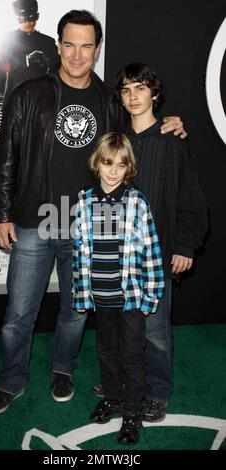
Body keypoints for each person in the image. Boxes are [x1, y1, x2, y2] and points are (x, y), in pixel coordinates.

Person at [0, 10, 187, 415]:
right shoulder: (28, 93)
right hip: (34, 219)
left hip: (87, 225)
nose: (78, 54)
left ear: (97, 50)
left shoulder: (109, 100)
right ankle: (10, 381)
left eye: (87, 45)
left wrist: (172, 124)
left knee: (76, 311)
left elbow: (133, 137)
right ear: (58, 46)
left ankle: (64, 369)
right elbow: (7, 155)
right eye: (70, 44)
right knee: (18, 313)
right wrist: (1, 212)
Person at [92, 62, 208, 423]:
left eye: (140, 88)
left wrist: (185, 245)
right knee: (116, 327)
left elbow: (191, 198)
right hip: (117, 256)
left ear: (154, 94)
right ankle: (119, 384)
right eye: (126, 90)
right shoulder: (117, 142)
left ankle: (157, 393)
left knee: (155, 330)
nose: (133, 96)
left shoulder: (173, 142)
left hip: (156, 258)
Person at [72, 132, 165, 444]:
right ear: (97, 163)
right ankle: (112, 398)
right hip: (101, 298)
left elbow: (151, 253)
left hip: (131, 299)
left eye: (121, 165)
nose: (113, 170)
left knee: (132, 355)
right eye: (108, 163)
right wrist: (82, 294)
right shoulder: (84, 201)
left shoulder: (137, 203)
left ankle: (131, 412)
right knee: (105, 350)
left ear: (130, 169)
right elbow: (80, 251)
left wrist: (150, 296)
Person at [0, 0, 59, 104]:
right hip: (15, 99)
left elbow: (58, 69)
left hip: (40, 100)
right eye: (23, 18)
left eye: (31, 17)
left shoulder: (48, 42)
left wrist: (48, 63)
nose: (28, 22)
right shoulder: (8, 39)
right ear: (17, 18)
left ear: (37, 16)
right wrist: (25, 61)